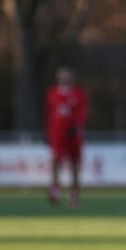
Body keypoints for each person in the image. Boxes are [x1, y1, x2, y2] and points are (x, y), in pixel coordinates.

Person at [45, 66, 88, 206]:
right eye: (62, 76)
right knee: (56, 163)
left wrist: (78, 128)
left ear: (71, 78)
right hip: (58, 134)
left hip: (73, 134)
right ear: (58, 78)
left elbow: (82, 113)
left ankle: (73, 195)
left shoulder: (78, 94)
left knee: (74, 164)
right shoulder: (52, 94)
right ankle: (55, 193)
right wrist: (48, 132)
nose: (64, 79)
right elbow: (49, 115)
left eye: (67, 76)